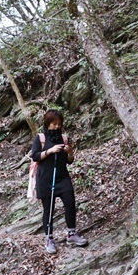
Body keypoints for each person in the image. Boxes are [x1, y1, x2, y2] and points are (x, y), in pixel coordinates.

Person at [30, 109, 88, 254]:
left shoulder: (64, 138)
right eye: (54, 124)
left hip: (62, 177)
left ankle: (71, 234)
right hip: (45, 179)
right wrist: (50, 151)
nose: (56, 126)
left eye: (59, 124)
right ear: (47, 123)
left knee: (70, 202)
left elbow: (70, 161)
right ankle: (49, 239)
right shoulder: (41, 138)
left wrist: (69, 152)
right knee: (48, 209)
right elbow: (35, 156)